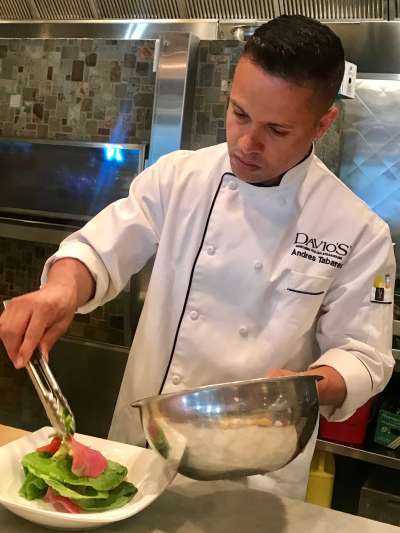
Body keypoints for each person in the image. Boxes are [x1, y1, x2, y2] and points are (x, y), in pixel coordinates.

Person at [0, 15, 395, 499]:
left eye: (276, 129)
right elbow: (102, 246)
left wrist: (307, 386)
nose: (247, 143)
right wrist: (60, 291)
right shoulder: (180, 177)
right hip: (143, 451)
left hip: (255, 475)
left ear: (323, 122)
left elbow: (364, 355)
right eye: (239, 113)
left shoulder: (357, 230)